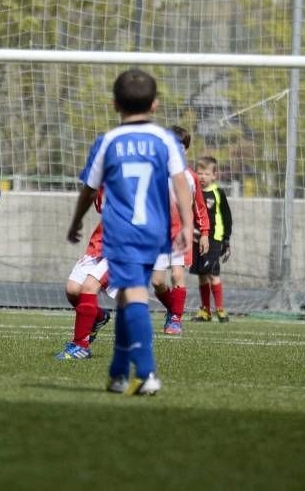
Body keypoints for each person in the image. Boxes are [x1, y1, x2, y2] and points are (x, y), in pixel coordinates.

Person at [67, 68, 193, 396]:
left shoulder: (107, 141)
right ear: (155, 104)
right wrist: (189, 224)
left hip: (121, 231)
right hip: (155, 231)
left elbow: (89, 190)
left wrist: (76, 221)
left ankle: (146, 373)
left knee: (133, 295)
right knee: (126, 298)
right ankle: (119, 373)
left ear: (114, 104)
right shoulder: (167, 140)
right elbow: (181, 184)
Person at [55, 138, 114, 360]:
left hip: (124, 244)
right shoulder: (99, 185)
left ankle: (80, 345)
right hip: (100, 242)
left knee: (89, 287)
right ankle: (98, 317)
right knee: (73, 290)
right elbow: (89, 194)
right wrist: (76, 223)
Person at [151, 125, 210, 336]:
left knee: (177, 274)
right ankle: (173, 309)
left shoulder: (190, 177)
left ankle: (175, 319)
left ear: (185, 150)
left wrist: (204, 233)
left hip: (180, 235)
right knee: (157, 282)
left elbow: (199, 207)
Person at [190, 155, 233, 323]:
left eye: (206, 174)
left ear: (214, 175)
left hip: (214, 240)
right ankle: (205, 310)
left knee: (213, 274)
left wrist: (226, 240)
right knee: (201, 274)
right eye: (199, 173)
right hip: (196, 239)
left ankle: (220, 309)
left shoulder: (218, 193)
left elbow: (227, 218)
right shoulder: (193, 191)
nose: (202, 177)